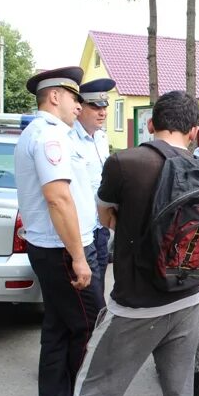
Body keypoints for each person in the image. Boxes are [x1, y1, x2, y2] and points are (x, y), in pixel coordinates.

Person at [48, 91, 199, 396]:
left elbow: (106, 216)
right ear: (193, 131)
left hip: (137, 303)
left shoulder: (125, 162)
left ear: (151, 124)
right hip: (190, 296)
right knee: (178, 387)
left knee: (97, 386)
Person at [14, 66, 105, 396]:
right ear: (55, 96)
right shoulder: (50, 137)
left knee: (58, 325)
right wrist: (80, 259)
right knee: (89, 325)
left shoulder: (47, 134)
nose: (78, 106)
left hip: (54, 248)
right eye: (74, 98)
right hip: (64, 250)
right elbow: (58, 199)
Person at [73, 78, 115, 290]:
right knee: (90, 295)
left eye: (105, 106)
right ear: (79, 108)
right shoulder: (69, 139)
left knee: (98, 287)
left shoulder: (101, 137)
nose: (103, 112)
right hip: (80, 230)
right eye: (95, 106)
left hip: (100, 226)